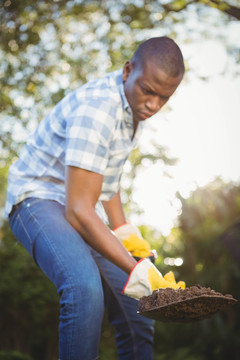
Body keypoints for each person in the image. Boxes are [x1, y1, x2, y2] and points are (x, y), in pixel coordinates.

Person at [5, 36, 185, 360]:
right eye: (148, 91)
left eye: (164, 97)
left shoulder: (132, 111)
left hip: (76, 202)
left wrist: (127, 235)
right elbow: (78, 212)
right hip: (37, 198)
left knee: (136, 303)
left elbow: (106, 184)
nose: (154, 105)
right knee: (83, 288)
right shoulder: (99, 108)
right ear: (128, 70)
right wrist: (136, 269)